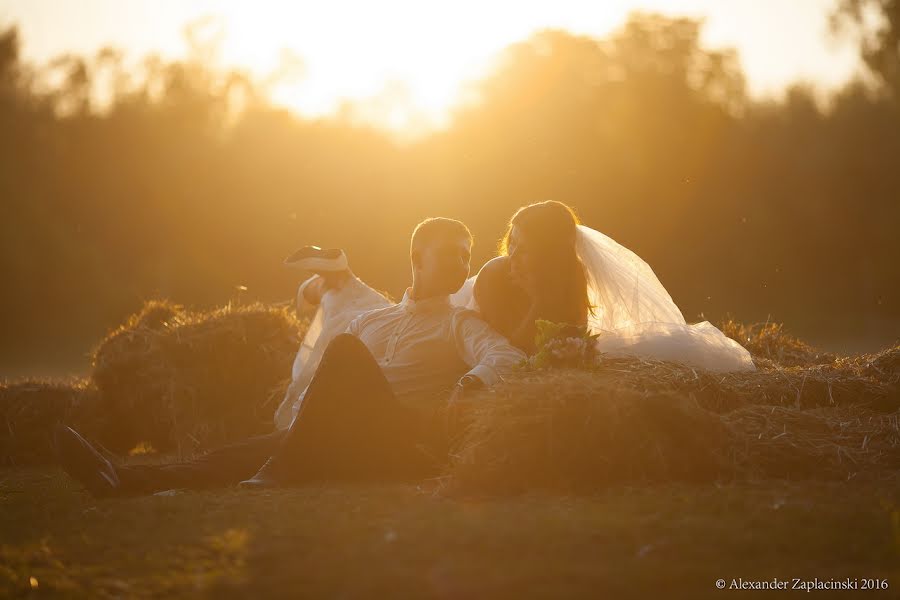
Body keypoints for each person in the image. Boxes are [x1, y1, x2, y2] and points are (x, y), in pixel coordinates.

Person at [55, 217, 527, 496]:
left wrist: (474, 380)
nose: (462, 266)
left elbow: (506, 357)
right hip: (336, 438)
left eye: (466, 257)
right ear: (417, 257)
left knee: (340, 352)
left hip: (396, 440)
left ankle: (286, 464)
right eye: (450, 254)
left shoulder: (458, 323)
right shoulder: (372, 320)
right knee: (238, 453)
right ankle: (118, 478)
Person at [278, 201, 755, 434]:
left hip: (458, 342)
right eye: (514, 244)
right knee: (372, 320)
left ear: (549, 254)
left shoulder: (567, 287)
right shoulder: (491, 278)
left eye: (526, 248)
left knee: (377, 325)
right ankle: (334, 281)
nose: (515, 255)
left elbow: (528, 355)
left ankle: (335, 282)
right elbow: (514, 347)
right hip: (451, 323)